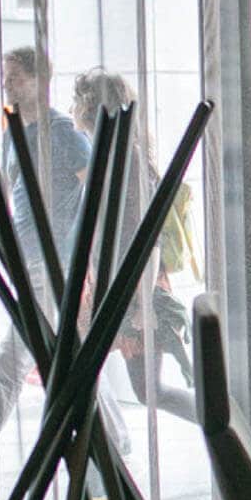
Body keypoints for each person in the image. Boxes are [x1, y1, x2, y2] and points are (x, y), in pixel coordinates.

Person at [0, 46, 127, 489]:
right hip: (28, 261)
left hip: (53, 267)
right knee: (68, 355)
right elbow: (4, 197)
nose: (7, 84)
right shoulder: (13, 132)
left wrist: (83, 255)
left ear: (40, 80)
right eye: (5, 76)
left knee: (11, 364)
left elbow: (98, 194)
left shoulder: (63, 133)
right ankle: (119, 438)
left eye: (15, 77)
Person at [69, 67, 196, 425]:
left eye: (78, 99)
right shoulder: (108, 157)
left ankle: (229, 424)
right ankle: (102, 449)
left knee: (148, 391)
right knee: (82, 372)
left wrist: (142, 303)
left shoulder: (128, 161)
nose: (71, 107)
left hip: (134, 287)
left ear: (92, 106)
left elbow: (149, 238)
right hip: (113, 286)